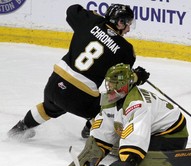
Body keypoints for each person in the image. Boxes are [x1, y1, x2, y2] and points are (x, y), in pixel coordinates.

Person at [7, 4, 150, 140]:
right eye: (128, 24)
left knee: (49, 108)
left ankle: (20, 129)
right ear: (119, 22)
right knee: (112, 103)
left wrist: (93, 16)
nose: (128, 29)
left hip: (54, 86)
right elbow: (119, 81)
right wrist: (137, 76)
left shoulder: (90, 22)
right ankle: (91, 129)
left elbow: (72, 10)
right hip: (82, 100)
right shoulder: (126, 50)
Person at [63, 63, 189, 166]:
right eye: (109, 83)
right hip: (152, 129)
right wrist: (91, 154)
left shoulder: (138, 104)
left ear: (124, 85)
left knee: (136, 155)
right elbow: (104, 129)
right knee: (121, 143)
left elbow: (136, 137)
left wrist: (125, 165)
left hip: (172, 134)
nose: (109, 87)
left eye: (113, 83)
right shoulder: (112, 98)